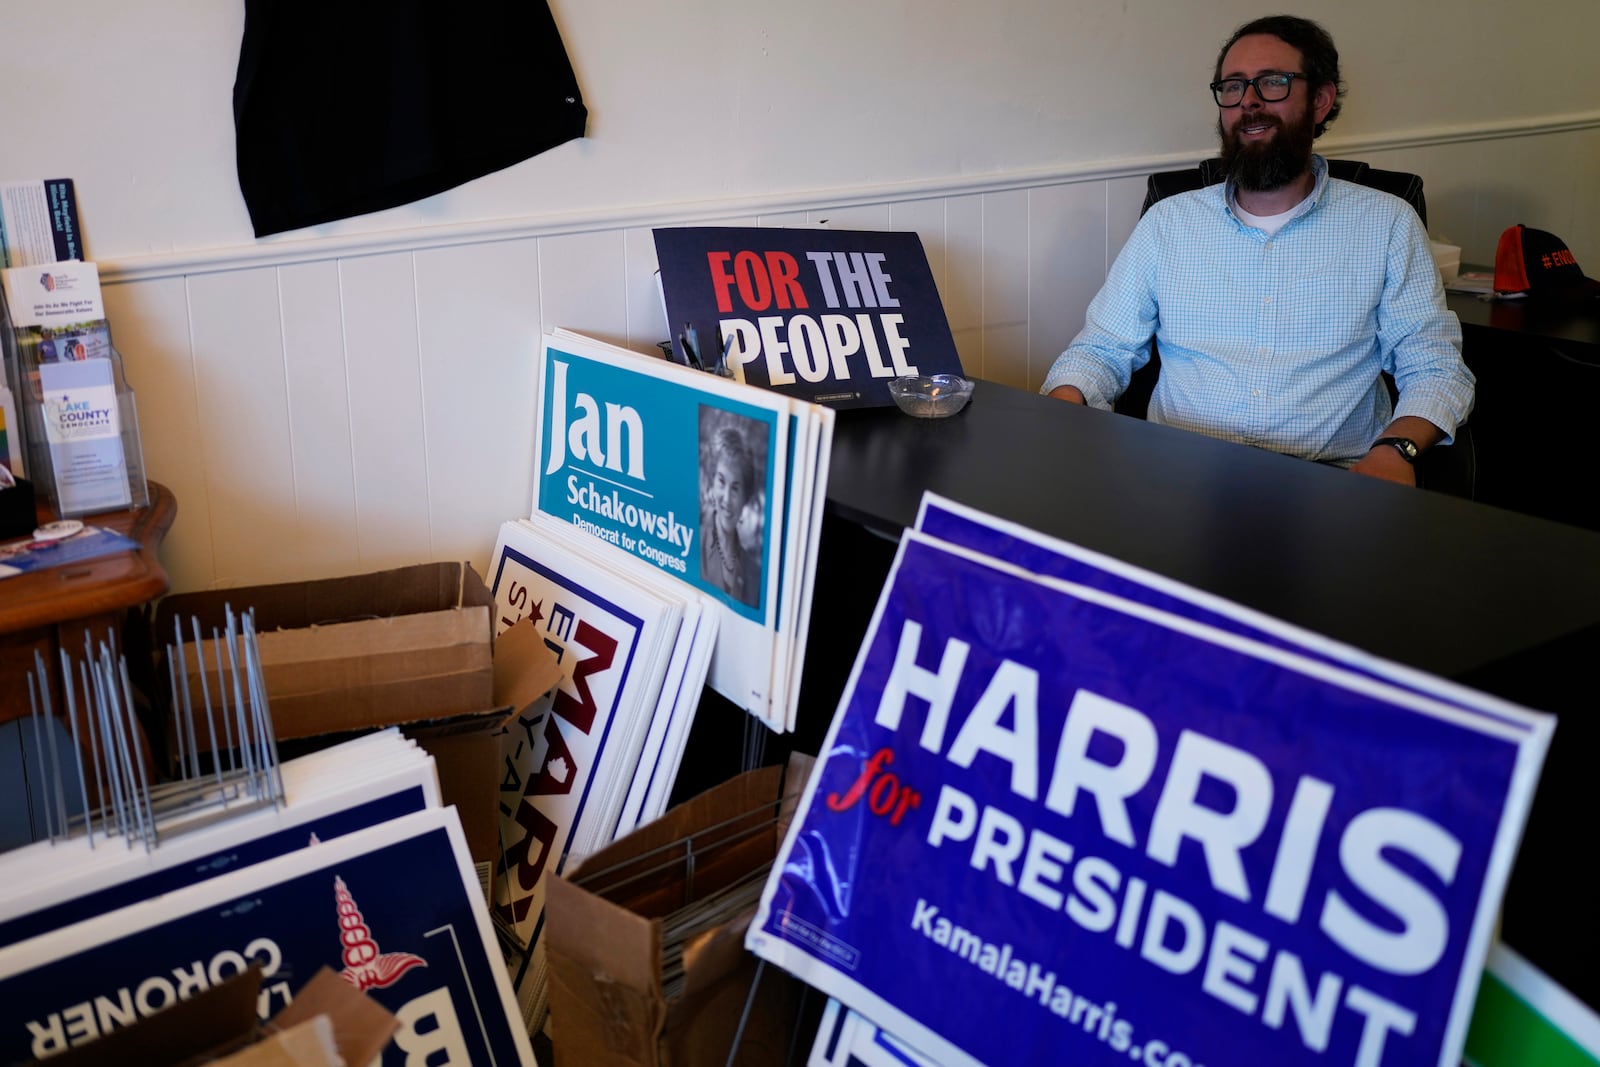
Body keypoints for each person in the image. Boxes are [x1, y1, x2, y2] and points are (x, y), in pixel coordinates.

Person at [1041, 15, 1474, 486]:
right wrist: (1067, 404)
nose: (1248, 101)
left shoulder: (1387, 224)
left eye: (1273, 83)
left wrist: (1397, 450)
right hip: (1178, 477)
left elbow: (1433, 367)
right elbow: (1102, 349)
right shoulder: (1169, 223)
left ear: (1321, 101)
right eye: (1233, 87)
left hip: (1330, 484)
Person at [700, 425, 762, 607]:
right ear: (712, 482)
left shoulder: (755, 573)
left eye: (735, 488)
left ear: (745, 497)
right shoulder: (691, 542)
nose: (727, 499)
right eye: (721, 481)